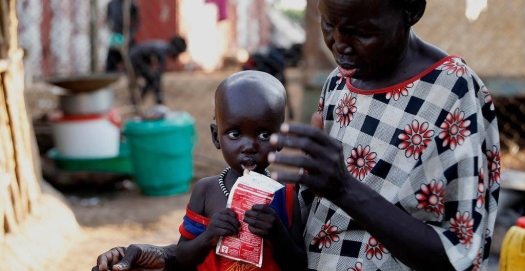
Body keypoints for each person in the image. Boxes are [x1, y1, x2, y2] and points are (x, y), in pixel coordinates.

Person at [93, 0, 501, 270]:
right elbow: (298, 224)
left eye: (362, 32)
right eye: (329, 24)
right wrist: (160, 257)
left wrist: (344, 188)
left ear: (411, 8)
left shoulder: (452, 93)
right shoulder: (341, 83)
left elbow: (457, 258)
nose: (340, 46)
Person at [92, 70, 307, 271]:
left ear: (281, 139)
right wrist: (209, 236)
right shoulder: (206, 191)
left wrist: (277, 234)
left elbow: (298, 265)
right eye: (234, 134)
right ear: (216, 137)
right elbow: (184, 257)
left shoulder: (286, 196)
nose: (249, 146)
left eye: (264, 135)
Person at [128, 36, 187, 105]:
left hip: (136, 57)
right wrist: (159, 93)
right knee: (152, 79)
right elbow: (158, 74)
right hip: (135, 59)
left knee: (151, 79)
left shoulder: (163, 47)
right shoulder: (163, 51)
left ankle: (138, 101)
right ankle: (141, 101)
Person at [105, 0, 140, 72]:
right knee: (111, 61)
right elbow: (108, 20)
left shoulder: (132, 4)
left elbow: (137, 23)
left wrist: (129, 36)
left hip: (127, 37)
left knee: (132, 59)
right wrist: (113, 34)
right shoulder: (111, 4)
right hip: (116, 36)